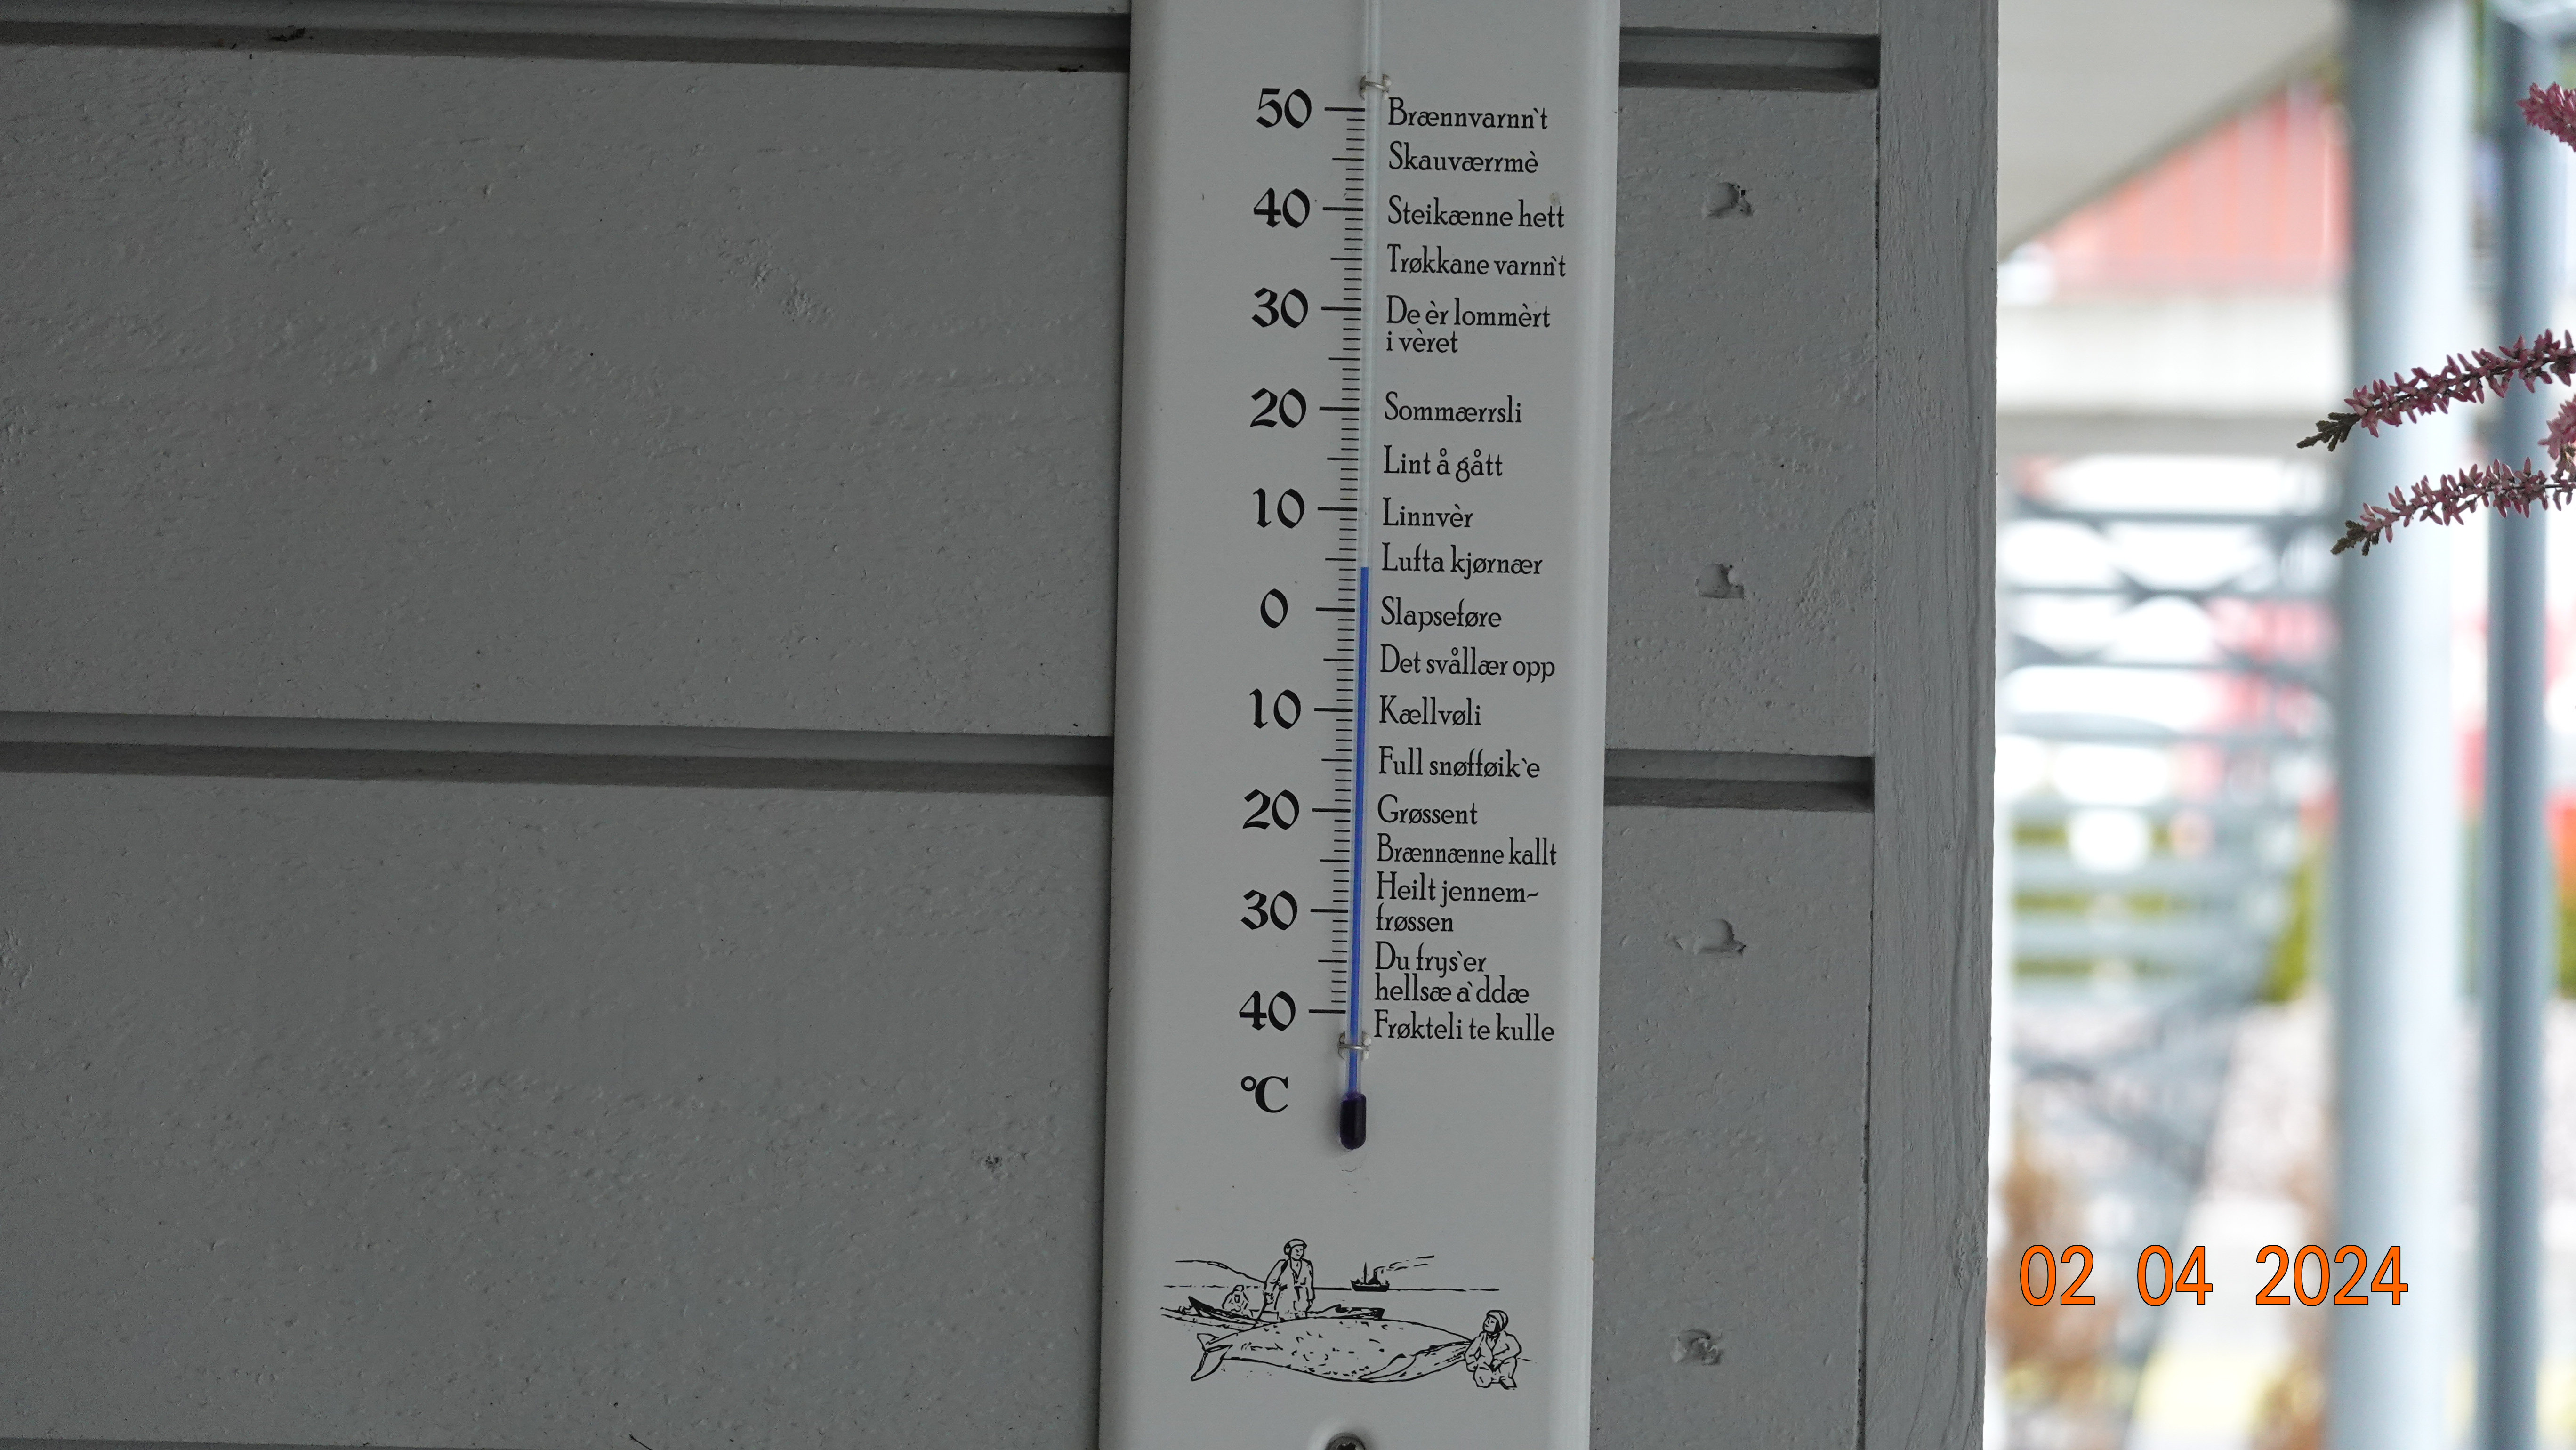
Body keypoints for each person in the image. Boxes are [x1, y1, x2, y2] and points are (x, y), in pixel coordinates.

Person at [1260, 1239, 1316, 1321]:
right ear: (1289, 1251)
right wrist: (1268, 1295)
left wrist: (1311, 1299)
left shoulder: (1307, 1265)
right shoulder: (1283, 1264)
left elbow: (1309, 1284)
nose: (1299, 1253)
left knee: (1301, 1323)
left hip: (1302, 1303)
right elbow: (1271, 1281)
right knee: (1286, 1324)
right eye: (1296, 1250)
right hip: (1286, 1303)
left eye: (1301, 1250)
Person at [1466, 1309, 1521, 1389]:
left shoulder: (1508, 1338)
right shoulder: (1481, 1338)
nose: (1487, 1323)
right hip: (1485, 1367)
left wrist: (1499, 1359)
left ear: (1499, 1327)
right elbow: (1470, 1353)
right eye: (1487, 1320)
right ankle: (1488, 1379)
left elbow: (1516, 1349)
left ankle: (1505, 1380)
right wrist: (1473, 1363)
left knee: (1511, 1360)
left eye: (1492, 1322)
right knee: (1482, 1383)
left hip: (1502, 1368)